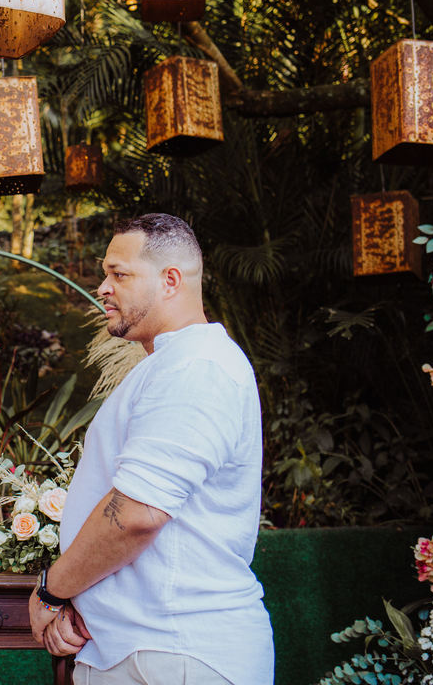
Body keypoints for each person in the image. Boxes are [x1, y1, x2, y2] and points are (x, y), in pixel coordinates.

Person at [28, 214, 273, 685]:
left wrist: (52, 591)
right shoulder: (168, 364)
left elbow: (138, 513)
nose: (103, 288)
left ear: (170, 281)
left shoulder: (197, 366)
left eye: (119, 275)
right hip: (146, 648)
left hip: (177, 651)